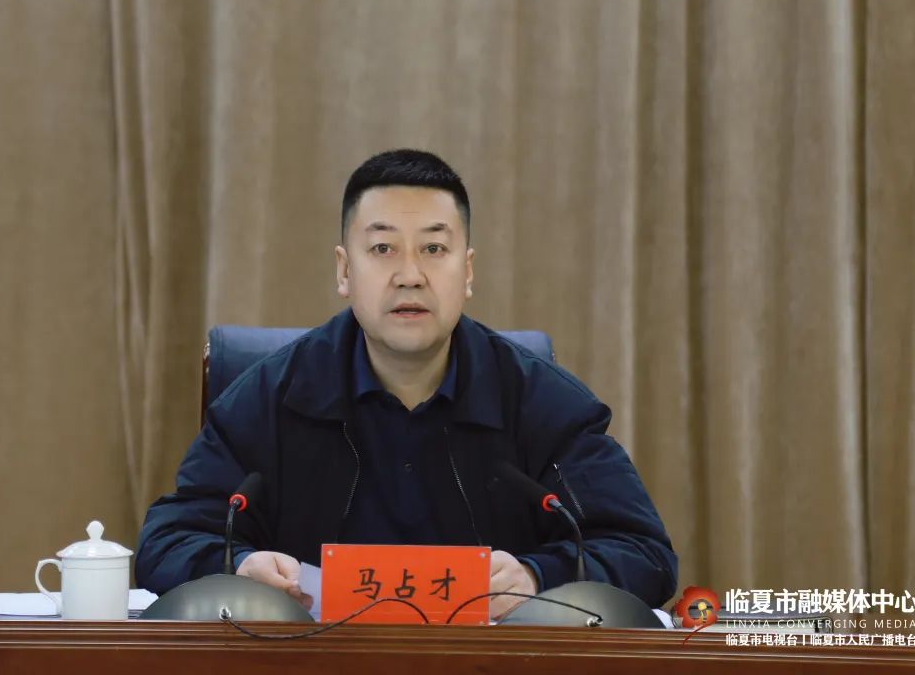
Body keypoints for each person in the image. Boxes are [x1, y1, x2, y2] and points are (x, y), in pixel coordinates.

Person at [135, 149, 677, 619]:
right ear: (344, 271)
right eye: (383, 249)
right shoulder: (268, 398)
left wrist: (538, 575)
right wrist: (238, 565)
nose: (410, 275)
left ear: (467, 272)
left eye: (434, 250)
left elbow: (644, 553)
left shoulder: (542, 403)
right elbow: (167, 541)